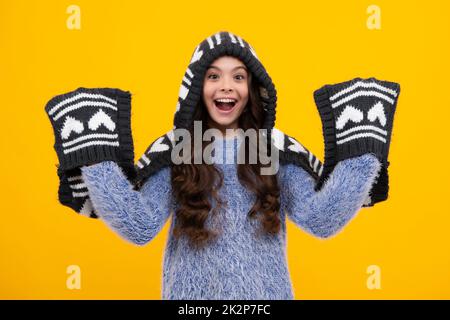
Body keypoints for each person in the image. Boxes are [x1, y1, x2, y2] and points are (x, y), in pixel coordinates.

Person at [45, 31, 400, 300]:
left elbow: (321, 219)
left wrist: (362, 150)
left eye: (238, 76)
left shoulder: (273, 149)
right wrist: (94, 154)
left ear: (253, 88)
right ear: (197, 88)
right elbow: (140, 226)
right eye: (213, 76)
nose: (225, 86)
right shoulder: (178, 148)